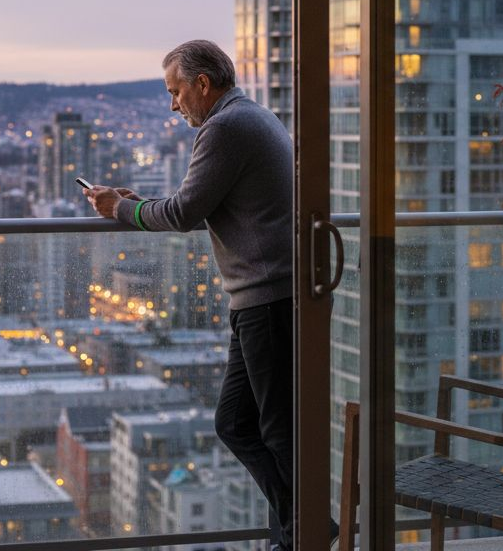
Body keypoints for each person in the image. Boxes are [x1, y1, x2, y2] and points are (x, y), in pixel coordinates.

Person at [85, 39, 336, 550]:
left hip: (268, 297)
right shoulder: (251, 117)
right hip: (265, 296)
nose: (174, 104)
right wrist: (139, 205)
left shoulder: (225, 126)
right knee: (237, 423)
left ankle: (303, 531)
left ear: (203, 84)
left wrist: (119, 209)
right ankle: (300, 526)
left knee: (274, 429)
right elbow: (198, 203)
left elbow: (183, 213)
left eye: (176, 92)